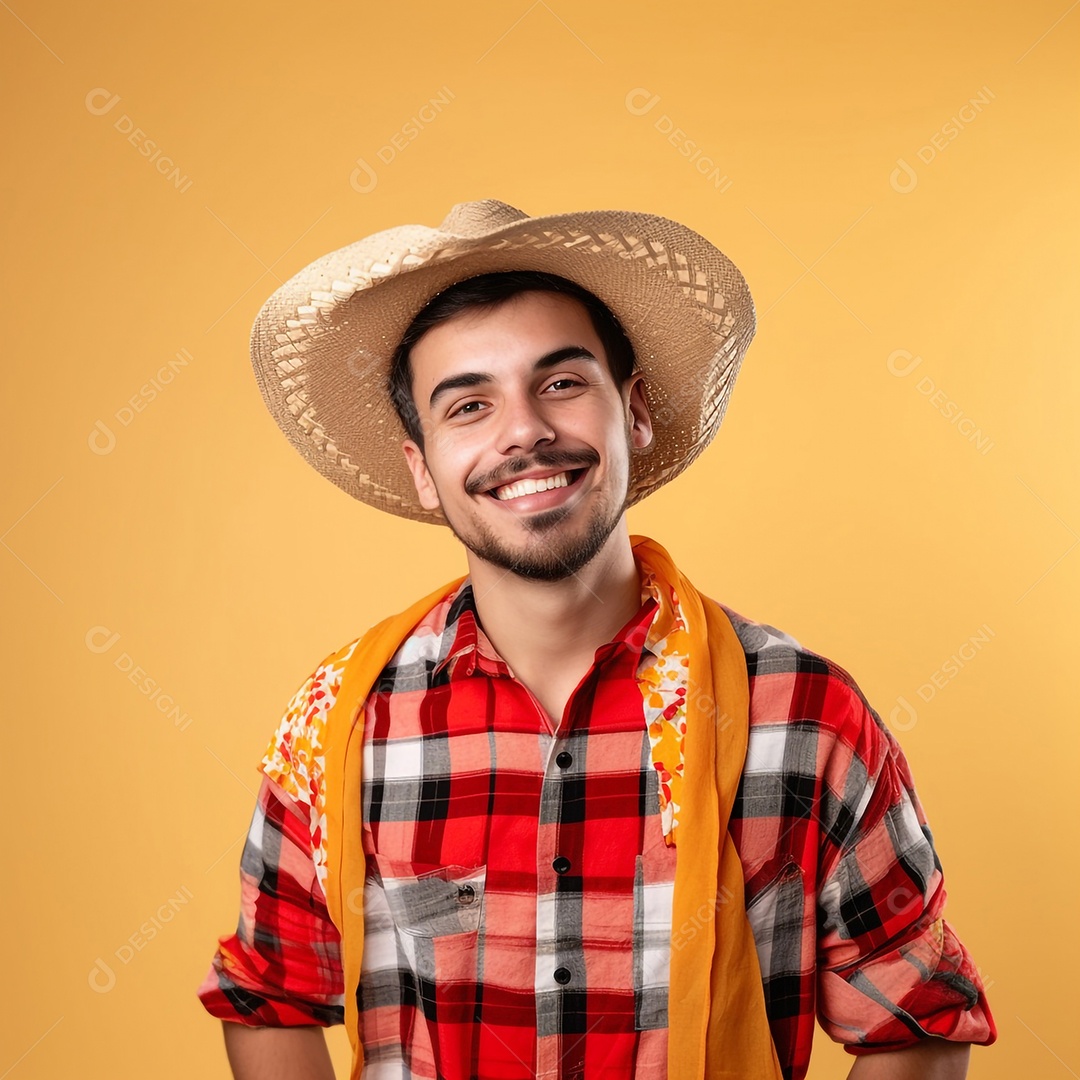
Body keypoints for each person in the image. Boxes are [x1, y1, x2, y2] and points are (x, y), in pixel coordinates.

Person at [196, 200, 996, 1080]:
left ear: (635, 410)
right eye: (469, 405)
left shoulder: (803, 713)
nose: (524, 431)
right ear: (422, 467)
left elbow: (917, 1016)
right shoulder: (341, 721)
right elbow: (267, 999)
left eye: (562, 384)